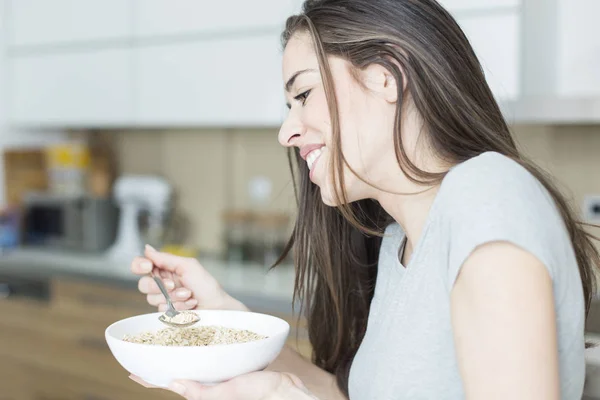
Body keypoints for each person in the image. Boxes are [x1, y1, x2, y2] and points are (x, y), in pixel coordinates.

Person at [129, 0, 600, 399]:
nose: (286, 131)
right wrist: (230, 320)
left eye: (304, 94)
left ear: (385, 78)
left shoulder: (486, 196)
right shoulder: (402, 242)